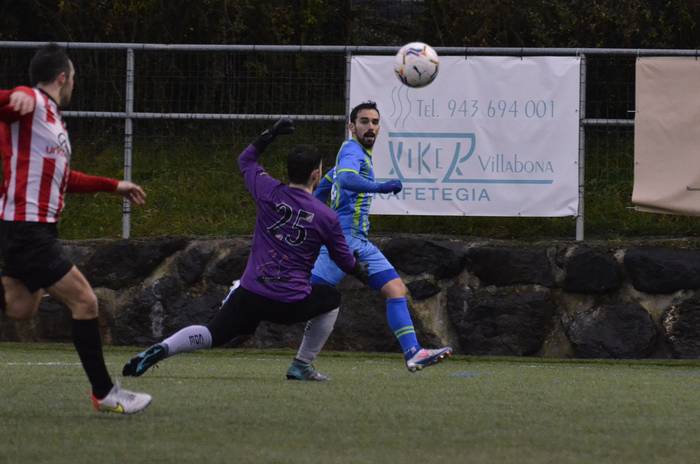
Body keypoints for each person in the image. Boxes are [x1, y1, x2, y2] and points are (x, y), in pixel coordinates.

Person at [122, 118, 368, 380]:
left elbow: (246, 160)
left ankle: (164, 347)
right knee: (331, 298)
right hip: (290, 302)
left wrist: (269, 135)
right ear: (316, 175)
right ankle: (302, 365)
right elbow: (344, 260)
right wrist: (362, 271)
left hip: (252, 293)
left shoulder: (267, 190)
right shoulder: (326, 217)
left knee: (213, 333)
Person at [0, 43, 152, 414]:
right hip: (26, 228)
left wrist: (113, 185)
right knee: (85, 301)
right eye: (73, 78)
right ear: (63, 77)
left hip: (33, 229)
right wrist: (13, 94)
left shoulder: (52, 119)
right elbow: (12, 101)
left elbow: (64, 177)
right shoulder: (32, 102)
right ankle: (105, 393)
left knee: (20, 307)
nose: (74, 84)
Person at [285, 101, 452, 381]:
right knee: (299, 295)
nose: (370, 127)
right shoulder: (352, 150)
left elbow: (328, 183)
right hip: (343, 241)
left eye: (375, 122)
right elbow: (347, 179)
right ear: (352, 126)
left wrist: (309, 209)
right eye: (364, 121)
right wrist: (380, 187)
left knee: (395, 289)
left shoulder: (354, 154)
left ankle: (413, 352)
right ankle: (244, 297)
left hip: (359, 242)